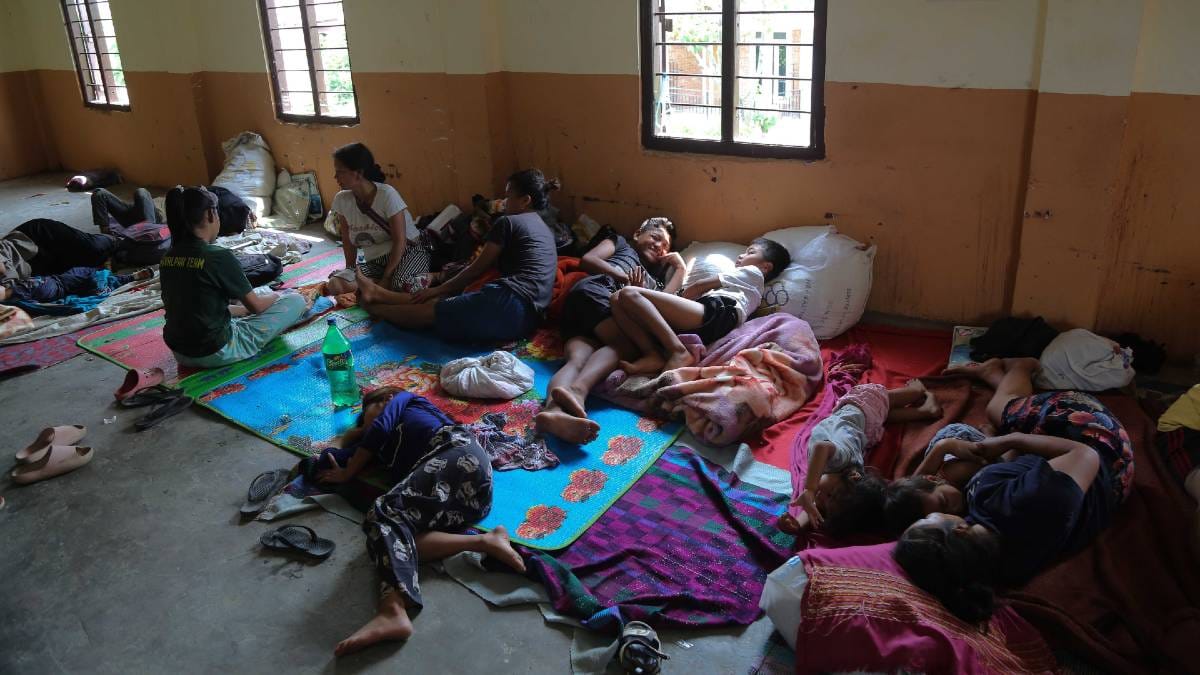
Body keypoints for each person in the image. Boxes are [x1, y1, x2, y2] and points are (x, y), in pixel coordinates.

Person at [892, 357, 1135, 623]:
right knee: (999, 411)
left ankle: (998, 381)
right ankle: (1021, 367)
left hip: (1073, 473)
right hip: (1103, 446)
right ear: (959, 530)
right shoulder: (1025, 501)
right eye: (927, 520)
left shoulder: (995, 563)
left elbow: (917, 491)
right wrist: (1008, 440)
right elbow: (1086, 455)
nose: (927, 514)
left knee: (1006, 418)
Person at [315, 387, 526, 656]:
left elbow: (377, 429)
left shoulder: (404, 401)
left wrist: (348, 473)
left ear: (385, 400)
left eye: (365, 415)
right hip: (466, 500)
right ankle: (485, 541)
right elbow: (339, 458)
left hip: (459, 456)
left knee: (384, 511)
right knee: (398, 541)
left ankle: (392, 608)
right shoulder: (381, 446)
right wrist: (347, 445)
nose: (364, 424)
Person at [356, 169, 558, 343]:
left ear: (525, 200)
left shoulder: (509, 223)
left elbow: (476, 269)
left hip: (507, 304)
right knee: (450, 299)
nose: (504, 202)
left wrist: (437, 290)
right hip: (529, 320)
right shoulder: (544, 228)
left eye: (508, 196)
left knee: (434, 309)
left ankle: (376, 308)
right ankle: (381, 295)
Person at [536, 217, 686, 444]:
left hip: (581, 312)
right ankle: (579, 391)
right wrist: (624, 278)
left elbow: (668, 299)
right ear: (637, 234)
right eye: (655, 237)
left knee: (577, 360)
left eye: (665, 246)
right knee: (624, 347)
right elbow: (588, 259)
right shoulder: (622, 245)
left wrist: (680, 267)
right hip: (596, 292)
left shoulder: (654, 279)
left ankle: (553, 412)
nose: (659, 246)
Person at [159, 186, 308, 368]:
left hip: (180, 352)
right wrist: (278, 296)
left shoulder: (168, 258)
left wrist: (242, 309)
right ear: (210, 215)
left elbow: (195, 307)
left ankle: (242, 309)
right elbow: (257, 307)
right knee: (295, 300)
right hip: (216, 351)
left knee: (246, 299)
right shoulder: (217, 256)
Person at [781, 380, 942, 536]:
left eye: (824, 504)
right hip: (861, 406)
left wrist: (798, 525)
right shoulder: (840, 460)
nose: (820, 498)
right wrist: (810, 489)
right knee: (885, 399)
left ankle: (926, 411)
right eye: (830, 495)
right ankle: (917, 390)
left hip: (865, 426)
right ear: (853, 476)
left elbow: (814, 508)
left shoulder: (841, 490)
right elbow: (820, 447)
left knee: (884, 415)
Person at [611, 237, 791, 375]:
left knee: (629, 293)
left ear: (766, 267)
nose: (741, 255)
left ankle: (677, 351)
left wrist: (670, 297)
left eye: (750, 252)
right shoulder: (747, 287)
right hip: (711, 317)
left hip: (719, 311)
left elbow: (700, 285)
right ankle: (652, 355)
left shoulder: (753, 272)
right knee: (617, 298)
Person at [324, 143, 427, 297]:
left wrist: (386, 277)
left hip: (407, 252)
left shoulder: (387, 195)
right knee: (336, 284)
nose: (335, 177)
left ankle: (432, 276)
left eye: (340, 172)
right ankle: (378, 289)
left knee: (401, 285)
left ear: (358, 173)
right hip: (375, 261)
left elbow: (400, 241)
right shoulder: (342, 199)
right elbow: (347, 239)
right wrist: (350, 271)